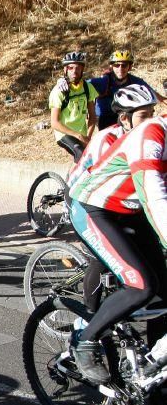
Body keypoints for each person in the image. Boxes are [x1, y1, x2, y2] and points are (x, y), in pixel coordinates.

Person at [67, 108, 167, 384]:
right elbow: (155, 197)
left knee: (163, 291)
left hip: (131, 211)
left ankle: (151, 376)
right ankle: (85, 341)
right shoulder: (151, 134)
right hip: (94, 208)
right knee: (142, 285)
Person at [65, 85, 159, 322]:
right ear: (125, 118)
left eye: (153, 113)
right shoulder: (107, 139)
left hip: (121, 204)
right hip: (84, 200)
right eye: (144, 116)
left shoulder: (149, 139)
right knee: (103, 259)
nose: (152, 121)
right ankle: (87, 318)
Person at [90, 50, 166, 130]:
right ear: (111, 66)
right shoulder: (103, 81)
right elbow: (82, 86)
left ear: (129, 67)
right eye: (117, 65)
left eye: (124, 65)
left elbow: (159, 97)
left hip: (125, 118)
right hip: (105, 118)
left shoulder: (135, 81)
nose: (120, 68)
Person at [49, 51, 98, 163]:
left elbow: (93, 117)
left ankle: (77, 178)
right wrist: (78, 135)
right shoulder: (58, 91)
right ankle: (74, 180)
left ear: (82, 69)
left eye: (78, 68)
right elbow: (54, 123)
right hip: (64, 134)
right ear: (65, 70)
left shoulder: (87, 88)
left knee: (95, 157)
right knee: (80, 154)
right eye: (70, 68)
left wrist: (88, 137)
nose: (74, 71)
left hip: (82, 134)